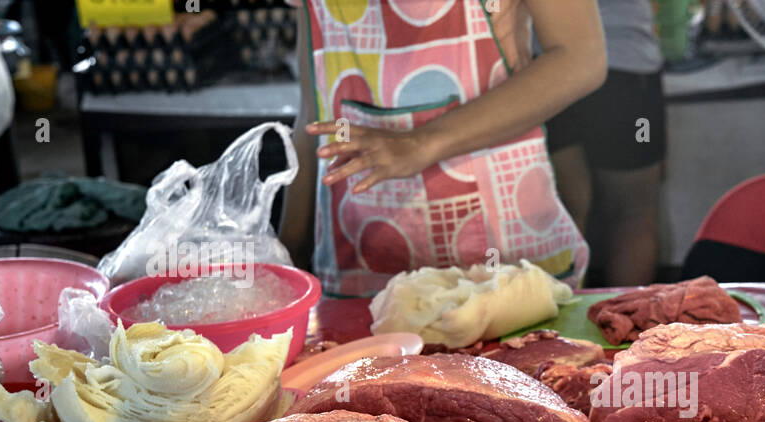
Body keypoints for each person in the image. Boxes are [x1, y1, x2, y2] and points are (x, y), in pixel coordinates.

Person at [280, 0, 607, 298]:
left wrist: (422, 143)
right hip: (357, 271)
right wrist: (286, 260)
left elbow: (581, 57)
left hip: (505, 269)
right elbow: (315, 113)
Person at [546, 0, 665, 287]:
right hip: (623, 66)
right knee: (632, 214)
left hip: (547, 74)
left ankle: (554, 327)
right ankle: (630, 327)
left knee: (563, 213)